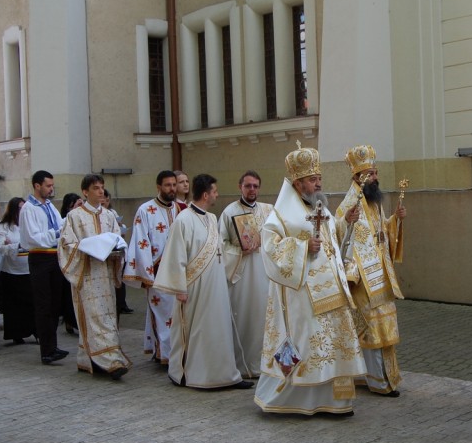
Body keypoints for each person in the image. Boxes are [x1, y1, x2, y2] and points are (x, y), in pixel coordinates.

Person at [254, 144, 366, 415]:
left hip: (331, 291)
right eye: (312, 179)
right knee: (308, 342)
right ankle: (295, 399)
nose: (318, 183)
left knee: (332, 342)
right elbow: (269, 248)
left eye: (319, 179)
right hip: (302, 293)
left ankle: (334, 399)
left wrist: (345, 222)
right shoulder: (280, 214)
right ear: (297, 182)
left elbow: (330, 238)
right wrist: (303, 249)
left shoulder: (320, 207)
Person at [153, 174, 250, 390]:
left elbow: (220, 252)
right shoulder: (183, 220)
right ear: (206, 194)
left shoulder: (211, 218)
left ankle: (223, 374)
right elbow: (175, 255)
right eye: (215, 191)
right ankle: (188, 374)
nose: (217, 195)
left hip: (216, 287)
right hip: (194, 288)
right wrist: (179, 288)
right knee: (196, 331)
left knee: (218, 329)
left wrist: (242, 250)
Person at [336, 146, 406, 397]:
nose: (375, 177)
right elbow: (338, 233)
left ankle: (386, 377)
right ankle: (377, 381)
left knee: (385, 326)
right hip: (363, 278)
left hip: (381, 274)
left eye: (375, 172)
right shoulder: (349, 203)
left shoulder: (373, 201)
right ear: (357, 177)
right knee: (371, 328)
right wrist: (347, 222)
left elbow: (381, 233)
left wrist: (395, 220)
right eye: (370, 174)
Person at [58, 174, 133, 380]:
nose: (100, 192)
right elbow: (66, 246)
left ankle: (98, 358)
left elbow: (118, 240)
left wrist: (117, 252)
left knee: (108, 316)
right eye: (96, 188)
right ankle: (107, 360)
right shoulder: (74, 216)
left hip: (106, 275)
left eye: (102, 188)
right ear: (85, 191)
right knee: (92, 317)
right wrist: (89, 249)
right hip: (86, 274)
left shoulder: (109, 215)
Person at [123, 170, 184, 365]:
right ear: (158, 187)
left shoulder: (180, 210)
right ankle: (166, 355)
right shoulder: (145, 210)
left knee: (176, 314)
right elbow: (141, 242)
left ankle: (171, 352)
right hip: (157, 272)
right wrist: (146, 274)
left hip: (179, 272)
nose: (172, 189)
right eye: (168, 185)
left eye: (174, 185)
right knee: (162, 314)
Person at [218, 170, 273, 378]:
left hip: (265, 273)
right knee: (243, 319)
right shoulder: (229, 212)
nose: (252, 190)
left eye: (255, 186)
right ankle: (242, 365)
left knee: (263, 319)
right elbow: (220, 245)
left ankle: (263, 365)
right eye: (248, 186)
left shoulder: (269, 211)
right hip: (240, 275)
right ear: (240, 187)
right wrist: (239, 250)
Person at [19, 170, 70, 366]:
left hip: (54, 257)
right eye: (48, 186)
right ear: (37, 185)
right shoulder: (28, 209)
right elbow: (32, 238)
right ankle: (46, 350)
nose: (51, 189)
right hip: (40, 257)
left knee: (54, 304)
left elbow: (61, 225)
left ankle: (53, 346)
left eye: (52, 185)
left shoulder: (50, 206)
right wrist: (57, 233)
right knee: (44, 305)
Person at [0, 197, 36, 346]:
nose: (22, 211)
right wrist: (17, 245)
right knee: (14, 306)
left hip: (29, 269)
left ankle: (35, 331)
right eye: (19, 208)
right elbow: (1, 247)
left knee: (32, 303)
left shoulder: (30, 225)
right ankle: (16, 334)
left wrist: (13, 244)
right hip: (11, 271)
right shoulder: (3, 227)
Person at [103, 189, 133, 316]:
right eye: (105, 199)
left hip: (117, 249)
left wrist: (121, 227)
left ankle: (121, 304)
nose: (106, 201)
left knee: (120, 278)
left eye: (108, 200)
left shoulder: (112, 212)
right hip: (105, 250)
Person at [59, 192, 83, 335]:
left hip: (81, 261)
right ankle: (70, 321)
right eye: (78, 205)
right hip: (69, 261)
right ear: (70, 207)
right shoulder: (65, 221)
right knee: (69, 295)